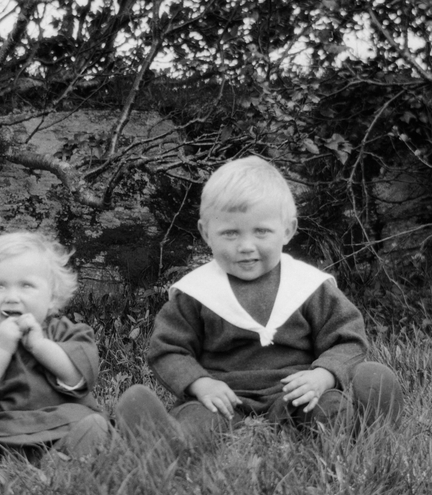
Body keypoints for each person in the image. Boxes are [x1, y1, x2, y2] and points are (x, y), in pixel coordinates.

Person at [141, 156, 403, 453]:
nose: (246, 246)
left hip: (294, 394)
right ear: (205, 233)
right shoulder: (196, 293)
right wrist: (200, 384)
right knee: (198, 422)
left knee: (328, 409)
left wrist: (323, 375)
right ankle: (164, 440)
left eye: (261, 232)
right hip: (224, 398)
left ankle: (366, 429)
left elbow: (349, 338)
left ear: (288, 230)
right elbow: (167, 349)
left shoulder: (306, 286)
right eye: (230, 233)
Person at [0, 232, 115, 479]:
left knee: (94, 427)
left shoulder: (68, 331)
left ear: (52, 296)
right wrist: (0, 351)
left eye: (26, 285)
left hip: (59, 425)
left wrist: (40, 346)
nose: (12, 296)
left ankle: (60, 467)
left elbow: (78, 377)